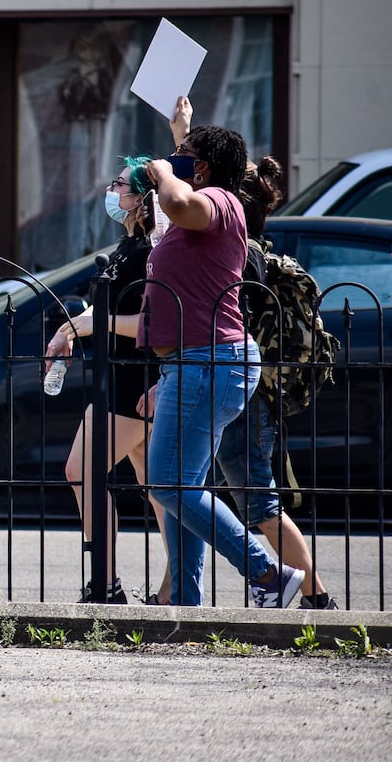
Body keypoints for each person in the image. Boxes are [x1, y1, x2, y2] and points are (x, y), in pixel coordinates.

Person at [138, 106, 302, 608]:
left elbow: (181, 202)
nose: (172, 160)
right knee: (183, 489)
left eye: (184, 156)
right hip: (195, 364)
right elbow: (185, 188)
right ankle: (184, 603)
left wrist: (166, 172)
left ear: (202, 169)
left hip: (209, 362)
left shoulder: (218, 201)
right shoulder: (215, 194)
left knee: (168, 483)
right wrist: (181, 132)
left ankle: (267, 572)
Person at [47, 157, 172, 604]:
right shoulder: (129, 246)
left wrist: (82, 327)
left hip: (135, 381)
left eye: (119, 184)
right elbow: (103, 307)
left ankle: (106, 586)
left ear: (143, 198)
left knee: (82, 471)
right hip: (119, 377)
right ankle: (171, 588)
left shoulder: (151, 251)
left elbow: (149, 321)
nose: (110, 190)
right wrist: (69, 330)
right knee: (159, 490)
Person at [215, 155, 337, 609]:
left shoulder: (242, 254)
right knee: (188, 494)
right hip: (248, 395)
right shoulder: (248, 247)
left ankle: (317, 599)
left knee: (261, 508)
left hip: (247, 399)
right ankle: (174, 593)